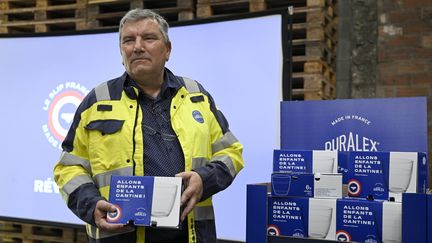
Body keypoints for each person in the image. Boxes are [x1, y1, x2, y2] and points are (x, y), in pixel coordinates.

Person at [53, 8, 244, 243]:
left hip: (190, 235)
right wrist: (91, 205)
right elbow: (68, 168)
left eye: (149, 38)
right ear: (122, 52)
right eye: (128, 40)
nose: (137, 47)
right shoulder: (97, 101)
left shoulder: (196, 95)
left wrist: (204, 179)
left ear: (168, 50)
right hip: (119, 235)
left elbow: (231, 152)